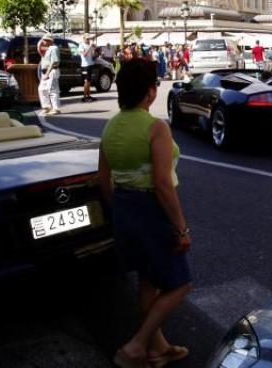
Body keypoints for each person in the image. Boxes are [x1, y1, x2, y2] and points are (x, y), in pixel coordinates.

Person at [99, 59, 191, 368]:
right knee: (180, 283)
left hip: (124, 207)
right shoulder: (155, 127)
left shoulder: (111, 126)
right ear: (151, 92)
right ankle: (136, 347)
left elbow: (103, 179)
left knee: (148, 281)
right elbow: (164, 185)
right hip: (152, 209)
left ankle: (159, 348)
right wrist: (181, 228)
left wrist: (122, 209)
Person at [37, 34, 61, 115]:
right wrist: (40, 42)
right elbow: (39, 49)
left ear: (49, 41)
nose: (43, 41)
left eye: (44, 40)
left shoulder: (53, 48)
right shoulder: (48, 48)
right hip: (45, 72)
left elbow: (54, 62)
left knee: (53, 90)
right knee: (42, 89)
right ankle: (47, 107)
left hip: (51, 71)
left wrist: (47, 74)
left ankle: (56, 108)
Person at [79, 33, 96, 102]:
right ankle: (84, 96)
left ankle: (88, 95)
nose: (88, 40)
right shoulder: (81, 45)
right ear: (83, 39)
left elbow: (92, 55)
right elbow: (84, 54)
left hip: (90, 64)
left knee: (89, 81)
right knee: (86, 81)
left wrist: (94, 48)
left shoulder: (89, 45)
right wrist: (90, 47)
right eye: (87, 39)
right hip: (85, 65)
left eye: (89, 38)